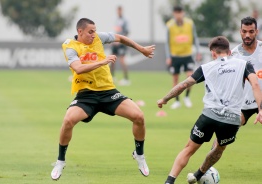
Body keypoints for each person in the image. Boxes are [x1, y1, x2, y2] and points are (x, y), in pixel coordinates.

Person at [50, 18, 155, 180]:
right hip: (86, 95)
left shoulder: (99, 37)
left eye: (95, 31)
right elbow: (78, 68)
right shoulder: (70, 46)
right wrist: (103, 62)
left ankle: (139, 155)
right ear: (80, 32)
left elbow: (120, 38)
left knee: (139, 117)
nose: (94, 35)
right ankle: (60, 161)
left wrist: (141, 49)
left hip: (108, 93)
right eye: (90, 32)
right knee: (68, 121)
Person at [157, 36, 262, 184]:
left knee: (189, 149)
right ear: (229, 51)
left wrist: (164, 99)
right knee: (219, 149)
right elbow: (255, 85)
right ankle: (198, 175)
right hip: (231, 120)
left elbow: (184, 85)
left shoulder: (206, 67)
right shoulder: (244, 64)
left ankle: (169, 181)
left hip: (209, 116)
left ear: (213, 53)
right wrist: (261, 108)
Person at [165, 5, 201, 109]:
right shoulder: (170, 25)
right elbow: (167, 42)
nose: (178, 15)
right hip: (175, 56)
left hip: (187, 55)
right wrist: (168, 56)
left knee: (190, 77)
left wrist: (198, 52)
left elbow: (195, 38)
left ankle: (187, 97)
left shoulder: (190, 23)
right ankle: (176, 101)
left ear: (183, 13)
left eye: (180, 12)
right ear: (174, 14)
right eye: (176, 13)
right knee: (175, 79)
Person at [231, 16, 262, 126]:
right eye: (244, 31)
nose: (247, 35)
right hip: (243, 104)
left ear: (256, 32)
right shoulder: (234, 55)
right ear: (240, 31)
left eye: (251, 31)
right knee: (226, 132)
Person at [111, 6, 130, 86]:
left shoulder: (124, 20)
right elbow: (116, 31)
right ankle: (112, 77)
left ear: (121, 11)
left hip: (121, 43)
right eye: (117, 11)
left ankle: (126, 78)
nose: (118, 12)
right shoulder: (116, 20)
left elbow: (127, 31)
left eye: (119, 10)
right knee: (112, 60)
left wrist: (121, 40)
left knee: (122, 61)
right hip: (115, 42)